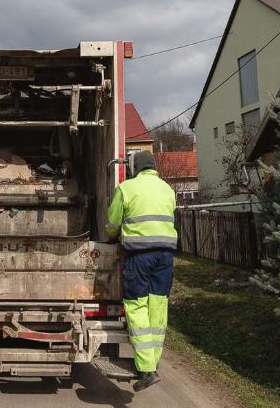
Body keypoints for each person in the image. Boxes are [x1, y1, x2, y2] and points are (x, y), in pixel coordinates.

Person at [106, 150, 177, 392]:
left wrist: (111, 236)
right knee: (158, 307)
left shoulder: (127, 188)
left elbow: (113, 222)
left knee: (136, 307)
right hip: (165, 256)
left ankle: (146, 369)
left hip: (139, 256)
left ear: (134, 167)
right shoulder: (167, 189)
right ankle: (151, 364)